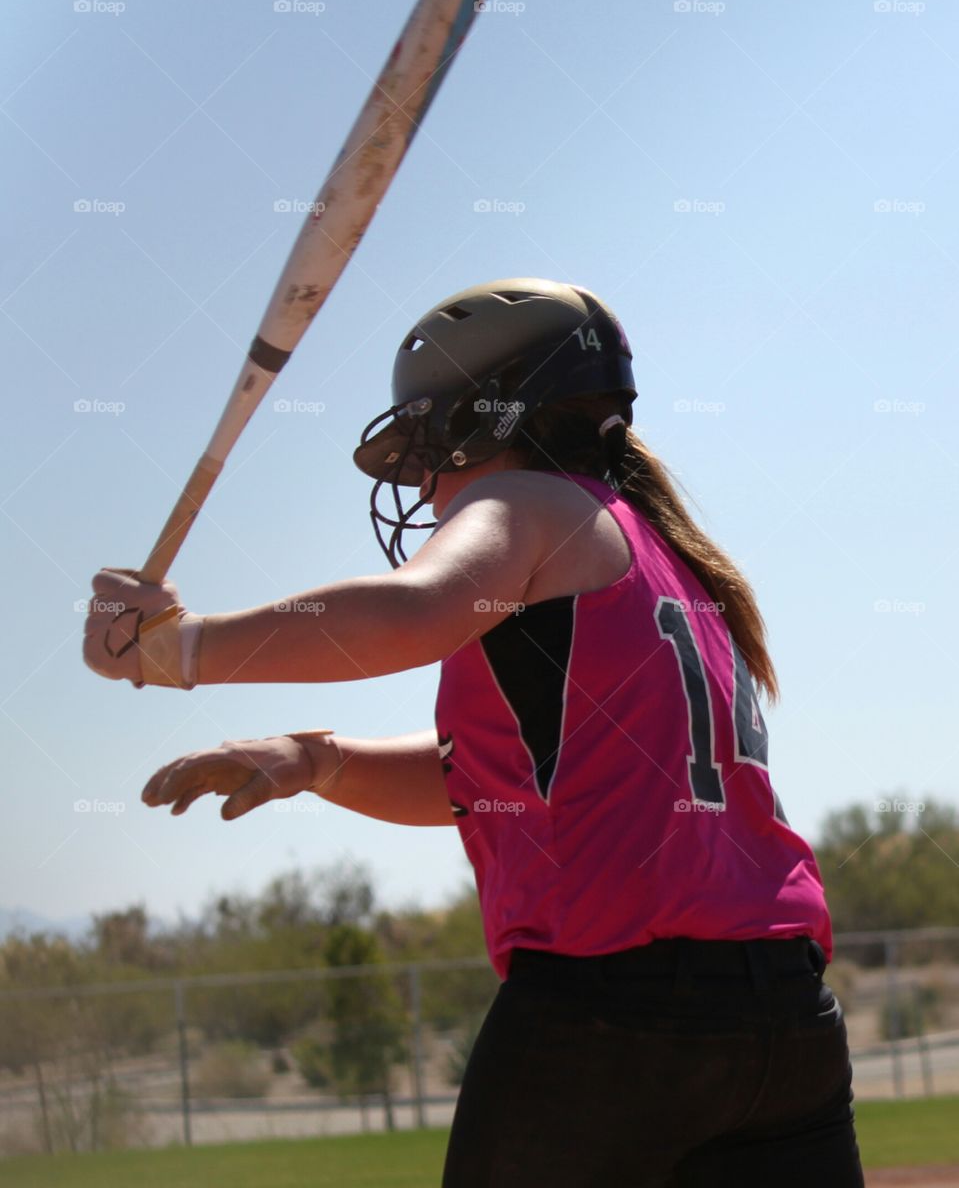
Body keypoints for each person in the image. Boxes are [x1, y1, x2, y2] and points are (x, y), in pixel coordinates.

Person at [83, 278, 864, 1186]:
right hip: (785, 1022)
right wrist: (321, 760)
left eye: (427, 446)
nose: (422, 480)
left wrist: (176, 650)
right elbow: (500, 780)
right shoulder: (663, 555)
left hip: (610, 1023)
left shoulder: (528, 504)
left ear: (481, 423)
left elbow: (412, 613)